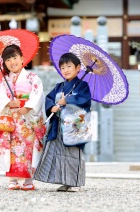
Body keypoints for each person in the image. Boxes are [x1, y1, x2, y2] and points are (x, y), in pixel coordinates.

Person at [34, 52, 91, 192]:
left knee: (73, 154)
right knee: (59, 153)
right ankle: (64, 181)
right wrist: (52, 106)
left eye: (69, 66)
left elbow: (85, 101)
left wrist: (69, 100)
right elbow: (48, 98)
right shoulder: (59, 86)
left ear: (78, 68)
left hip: (74, 127)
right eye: (63, 67)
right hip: (59, 125)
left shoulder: (82, 86)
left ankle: (75, 182)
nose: (65, 69)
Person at [0, 44, 46, 191]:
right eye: (8, 59)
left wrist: (28, 107)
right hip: (12, 119)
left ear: (22, 58)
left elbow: (38, 94)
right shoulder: (2, 81)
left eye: (15, 57)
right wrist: (9, 103)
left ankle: (29, 179)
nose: (12, 61)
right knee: (11, 148)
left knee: (29, 148)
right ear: (4, 63)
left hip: (28, 119)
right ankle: (12, 179)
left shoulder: (32, 78)